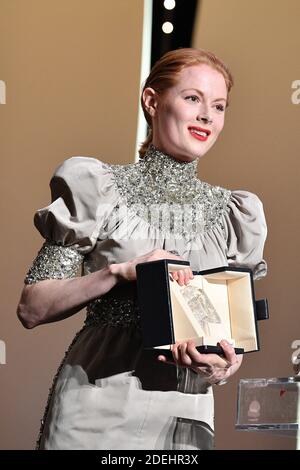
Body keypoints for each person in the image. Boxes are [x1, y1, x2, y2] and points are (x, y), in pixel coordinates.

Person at [17, 48, 267, 450]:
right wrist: (118, 272)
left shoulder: (236, 215)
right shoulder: (99, 190)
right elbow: (32, 308)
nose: (207, 115)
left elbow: (231, 345)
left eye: (218, 106)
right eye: (192, 99)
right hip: (97, 402)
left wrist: (222, 367)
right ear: (152, 101)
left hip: (186, 412)